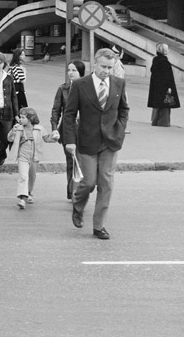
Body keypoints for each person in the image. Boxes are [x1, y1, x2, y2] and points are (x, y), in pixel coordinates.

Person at [63, 48, 129, 240]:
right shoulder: (80, 85)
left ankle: (99, 226)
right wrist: (70, 141)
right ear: (95, 64)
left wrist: (120, 128)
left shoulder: (119, 83)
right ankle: (78, 205)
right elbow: (69, 115)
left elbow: (124, 109)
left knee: (106, 183)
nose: (106, 71)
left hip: (110, 142)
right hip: (87, 141)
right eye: (103, 67)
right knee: (89, 182)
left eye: (110, 67)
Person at [7, 107, 56, 209]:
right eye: (20, 117)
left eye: (23, 117)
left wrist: (54, 136)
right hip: (23, 156)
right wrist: (13, 131)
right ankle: (22, 198)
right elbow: (10, 138)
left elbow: (47, 139)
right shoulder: (19, 128)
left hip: (34, 156)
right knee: (23, 177)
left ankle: (29, 192)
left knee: (32, 177)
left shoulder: (39, 128)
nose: (20, 119)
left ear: (30, 118)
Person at [50, 60, 86, 199]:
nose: (70, 73)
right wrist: (54, 128)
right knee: (71, 162)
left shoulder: (87, 88)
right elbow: (56, 110)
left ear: (81, 72)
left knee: (82, 161)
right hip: (67, 130)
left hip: (84, 131)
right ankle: (72, 192)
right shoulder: (63, 89)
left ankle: (80, 190)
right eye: (69, 70)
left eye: (74, 70)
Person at [147, 42, 179, 127]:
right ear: (163, 51)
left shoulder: (156, 60)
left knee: (157, 104)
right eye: (167, 49)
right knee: (166, 104)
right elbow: (167, 76)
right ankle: (163, 122)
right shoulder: (165, 62)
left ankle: (155, 121)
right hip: (164, 86)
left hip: (156, 86)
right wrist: (169, 87)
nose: (168, 50)